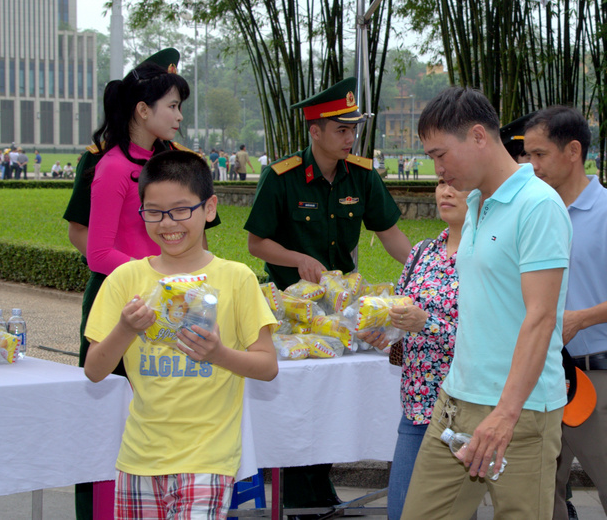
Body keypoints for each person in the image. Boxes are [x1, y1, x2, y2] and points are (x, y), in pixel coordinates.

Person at [63, 49, 221, 520]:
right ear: (142, 110)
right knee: (106, 421)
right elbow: (98, 252)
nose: (179, 116)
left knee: (166, 408)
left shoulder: (173, 163)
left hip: (170, 304)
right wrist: (156, 278)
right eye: (172, 106)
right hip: (123, 305)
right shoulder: (111, 167)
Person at [400, 87, 572, 519]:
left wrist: (505, 414)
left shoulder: (538, 206)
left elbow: (541, 317)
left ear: (478, 136)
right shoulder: (476, 202)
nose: (438, 171)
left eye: (441, 155)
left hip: (520, 410)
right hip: (455, 401)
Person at [244, 76, 412, 516]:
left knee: (335, 396)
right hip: (293, 309)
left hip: (340, 308)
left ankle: (318, 489)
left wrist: (426, 267)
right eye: (341, 129)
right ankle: (302, 496)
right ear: (315, 131)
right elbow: (257, 243)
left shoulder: (362, 175)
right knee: (301, 399)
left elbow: (390, 234)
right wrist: (297, 257)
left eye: (352, 129)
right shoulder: (281, 177)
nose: (349, 137)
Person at [83, 150, 278, 520]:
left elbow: (268, 366)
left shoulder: (236, 278)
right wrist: (126, 328)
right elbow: (94, 370)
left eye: (180, 210)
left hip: (208, 457)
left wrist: (218, 354)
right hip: (139, 457)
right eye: (154, 212)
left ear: (209, 208)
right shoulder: (125, 279)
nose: (167, 223)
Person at [523, 106, 607, 520]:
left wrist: (581, 319)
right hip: (542, 372)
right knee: (539, 488)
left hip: (597, 376)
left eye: (539, 154)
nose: (531, 165)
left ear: (573, 151)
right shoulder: (535, 212)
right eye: (527, 154)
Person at [362, 177, 465, 519]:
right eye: (441, 182)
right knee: (402, 511)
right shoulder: (423, 252)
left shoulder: (488, 256)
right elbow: (403, 314)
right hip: (417, 407)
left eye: (457, 184)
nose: (446, 191)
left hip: (464, 409)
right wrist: (384, 330)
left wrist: (427, 324)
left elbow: (492, 339)